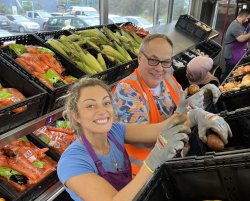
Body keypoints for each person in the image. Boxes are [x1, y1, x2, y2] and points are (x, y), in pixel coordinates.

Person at [57, 77, 231, 201]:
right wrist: (151, 163)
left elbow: (158, 130)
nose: (102, 110)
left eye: (106, 102)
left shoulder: (115, 131)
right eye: (90, 105)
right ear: (76, 115)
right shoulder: (72, 162)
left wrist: (194, 115)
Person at [112, 33, 221, 176]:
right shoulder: (126, 90)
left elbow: (186, 108)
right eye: (153, 60)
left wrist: (202, 100)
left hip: (174, 162)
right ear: (140, 57)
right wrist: (190, 117)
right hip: (147, 175)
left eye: (166, 62)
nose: (159, 68)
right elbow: (144, 139)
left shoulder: (169, 79)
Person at [223, 9, 250, 80]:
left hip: (237, 55)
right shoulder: (235, 26)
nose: (247, 20)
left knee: (232, 76)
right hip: (232, 56)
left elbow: (245, 37)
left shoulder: (240, 25)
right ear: (244, 16)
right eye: (247, 18)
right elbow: (241, 38)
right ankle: (219, 89)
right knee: (228, 76)